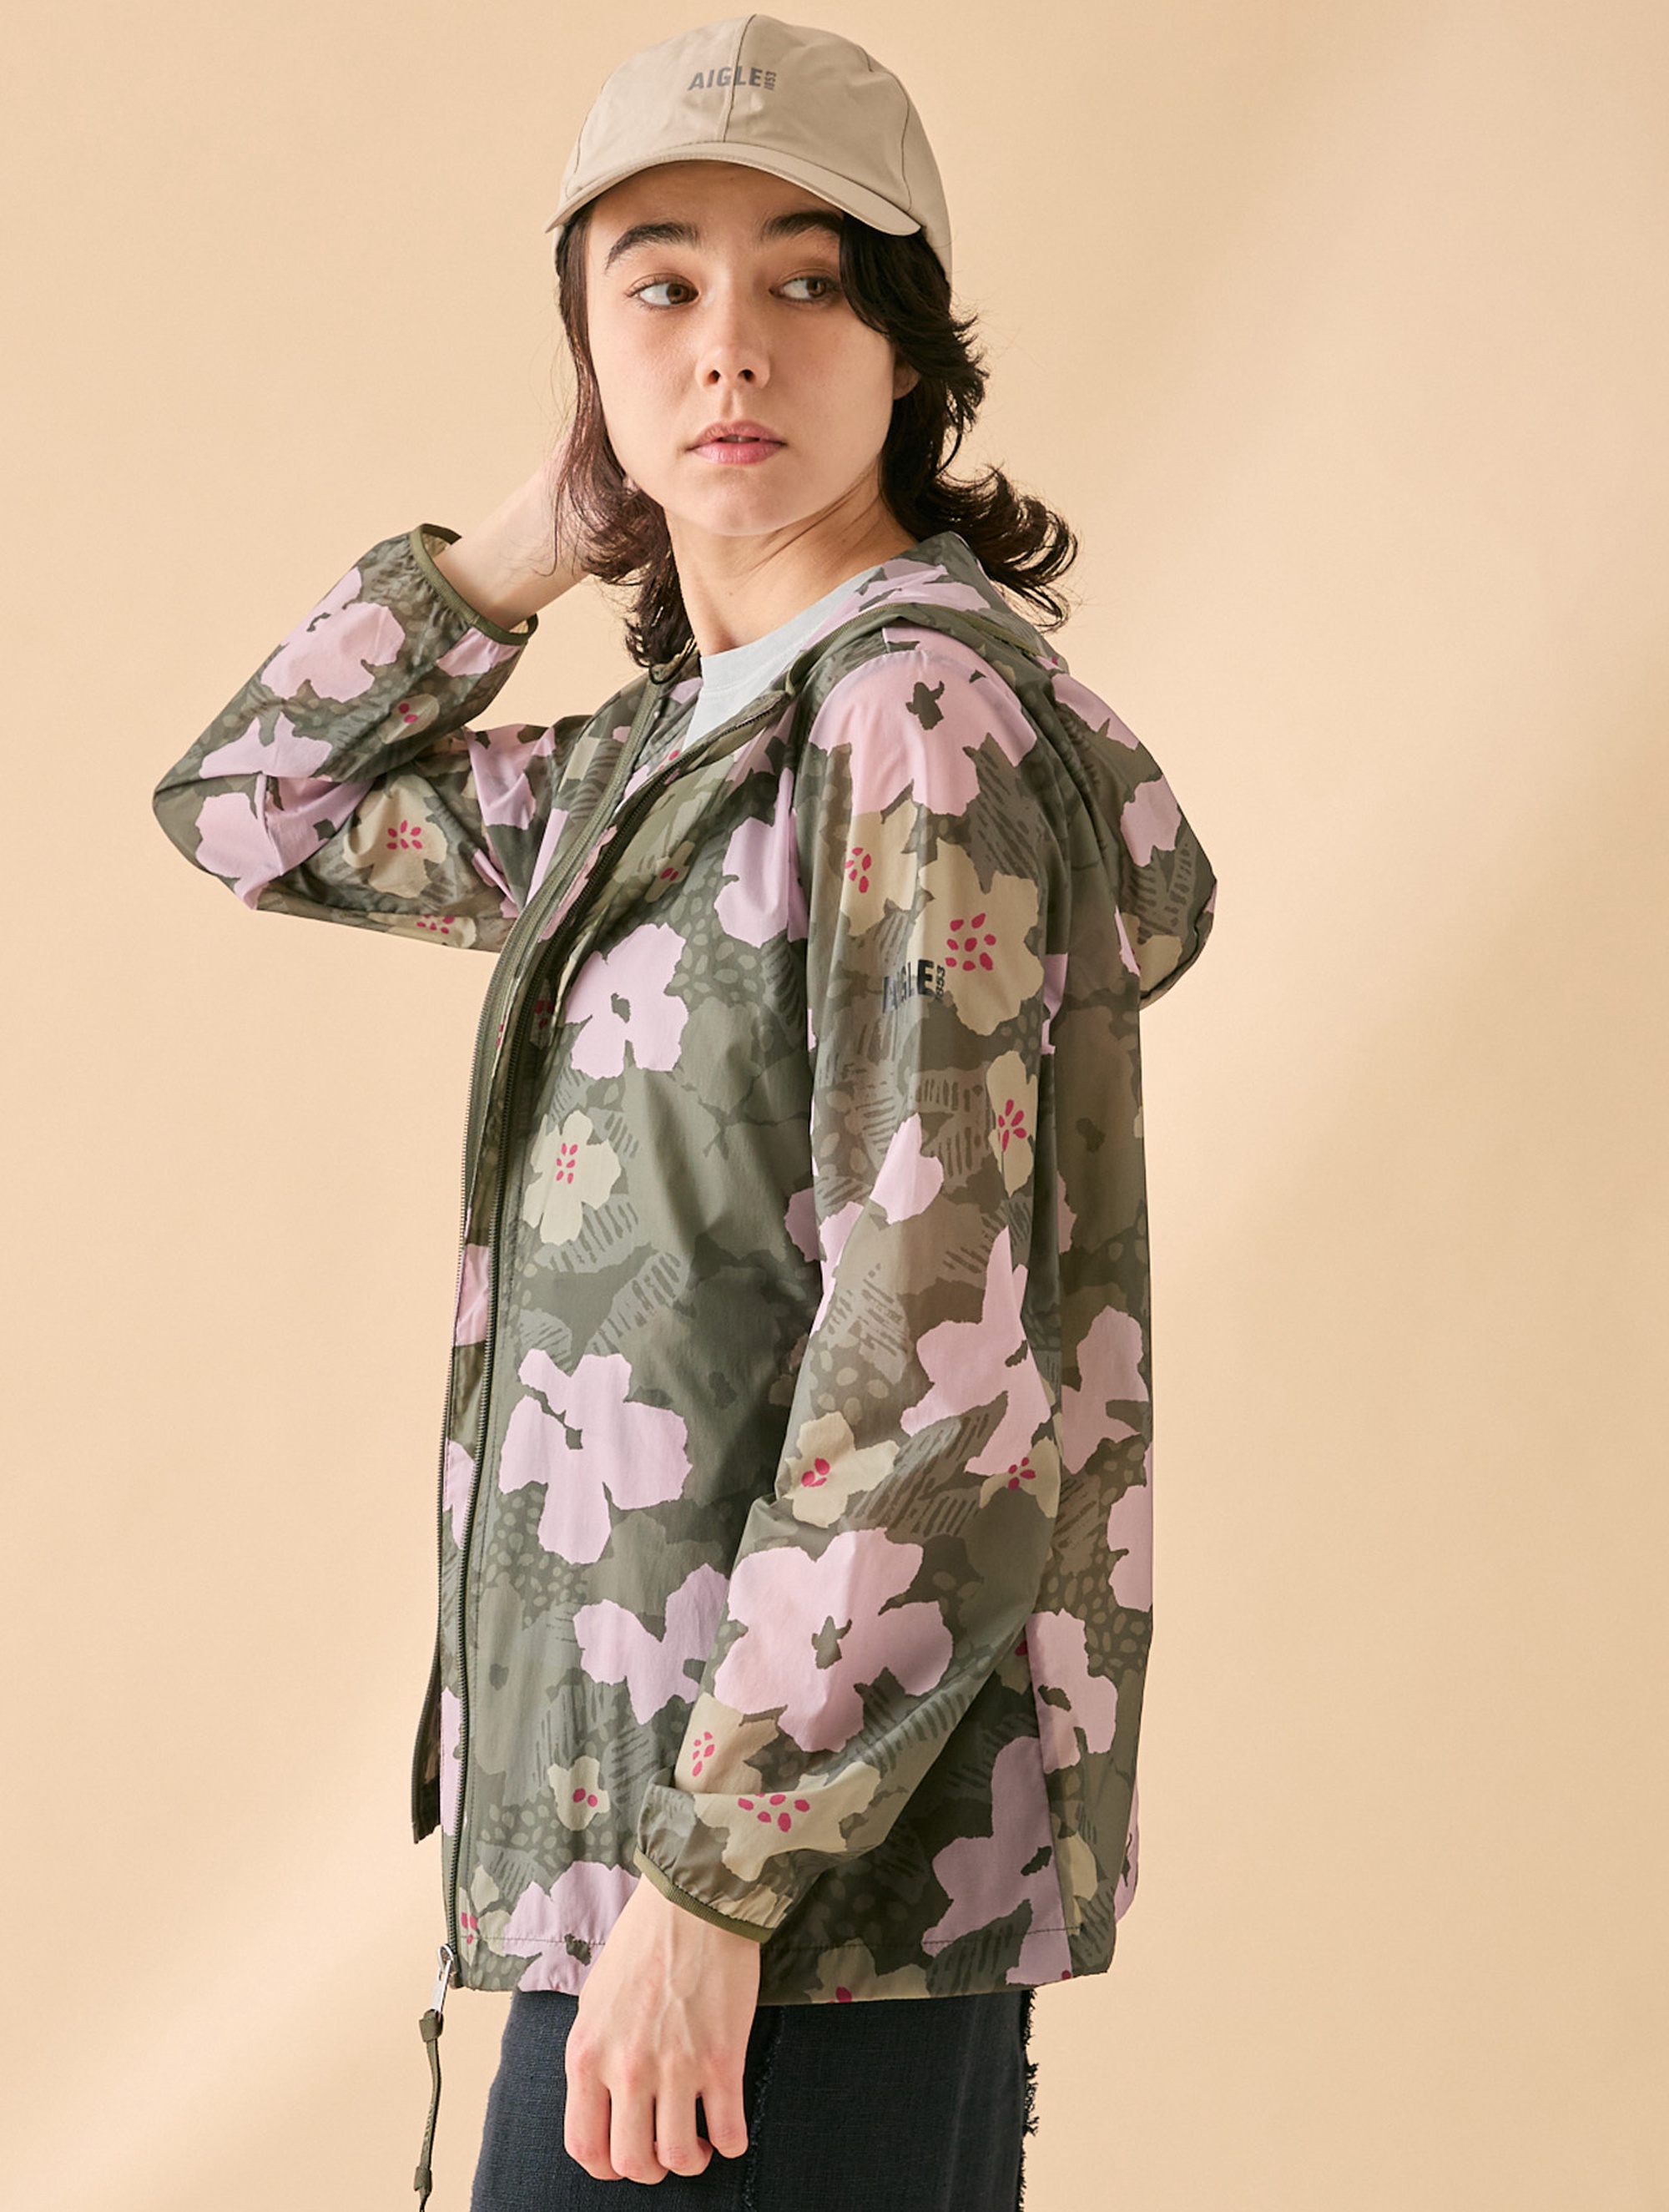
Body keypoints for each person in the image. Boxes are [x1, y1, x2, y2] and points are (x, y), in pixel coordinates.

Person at [151, 17, 1217, 2209]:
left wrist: (718, 1885)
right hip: (651, 1868)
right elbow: (254, 806)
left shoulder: (907, 726)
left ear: (908, 351)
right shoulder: (657, 766)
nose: (733, 341)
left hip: (778, 1897)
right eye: (660, 284)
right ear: (586, 350)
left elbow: (936, 1355)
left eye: (808, 279)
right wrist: (543, 533)